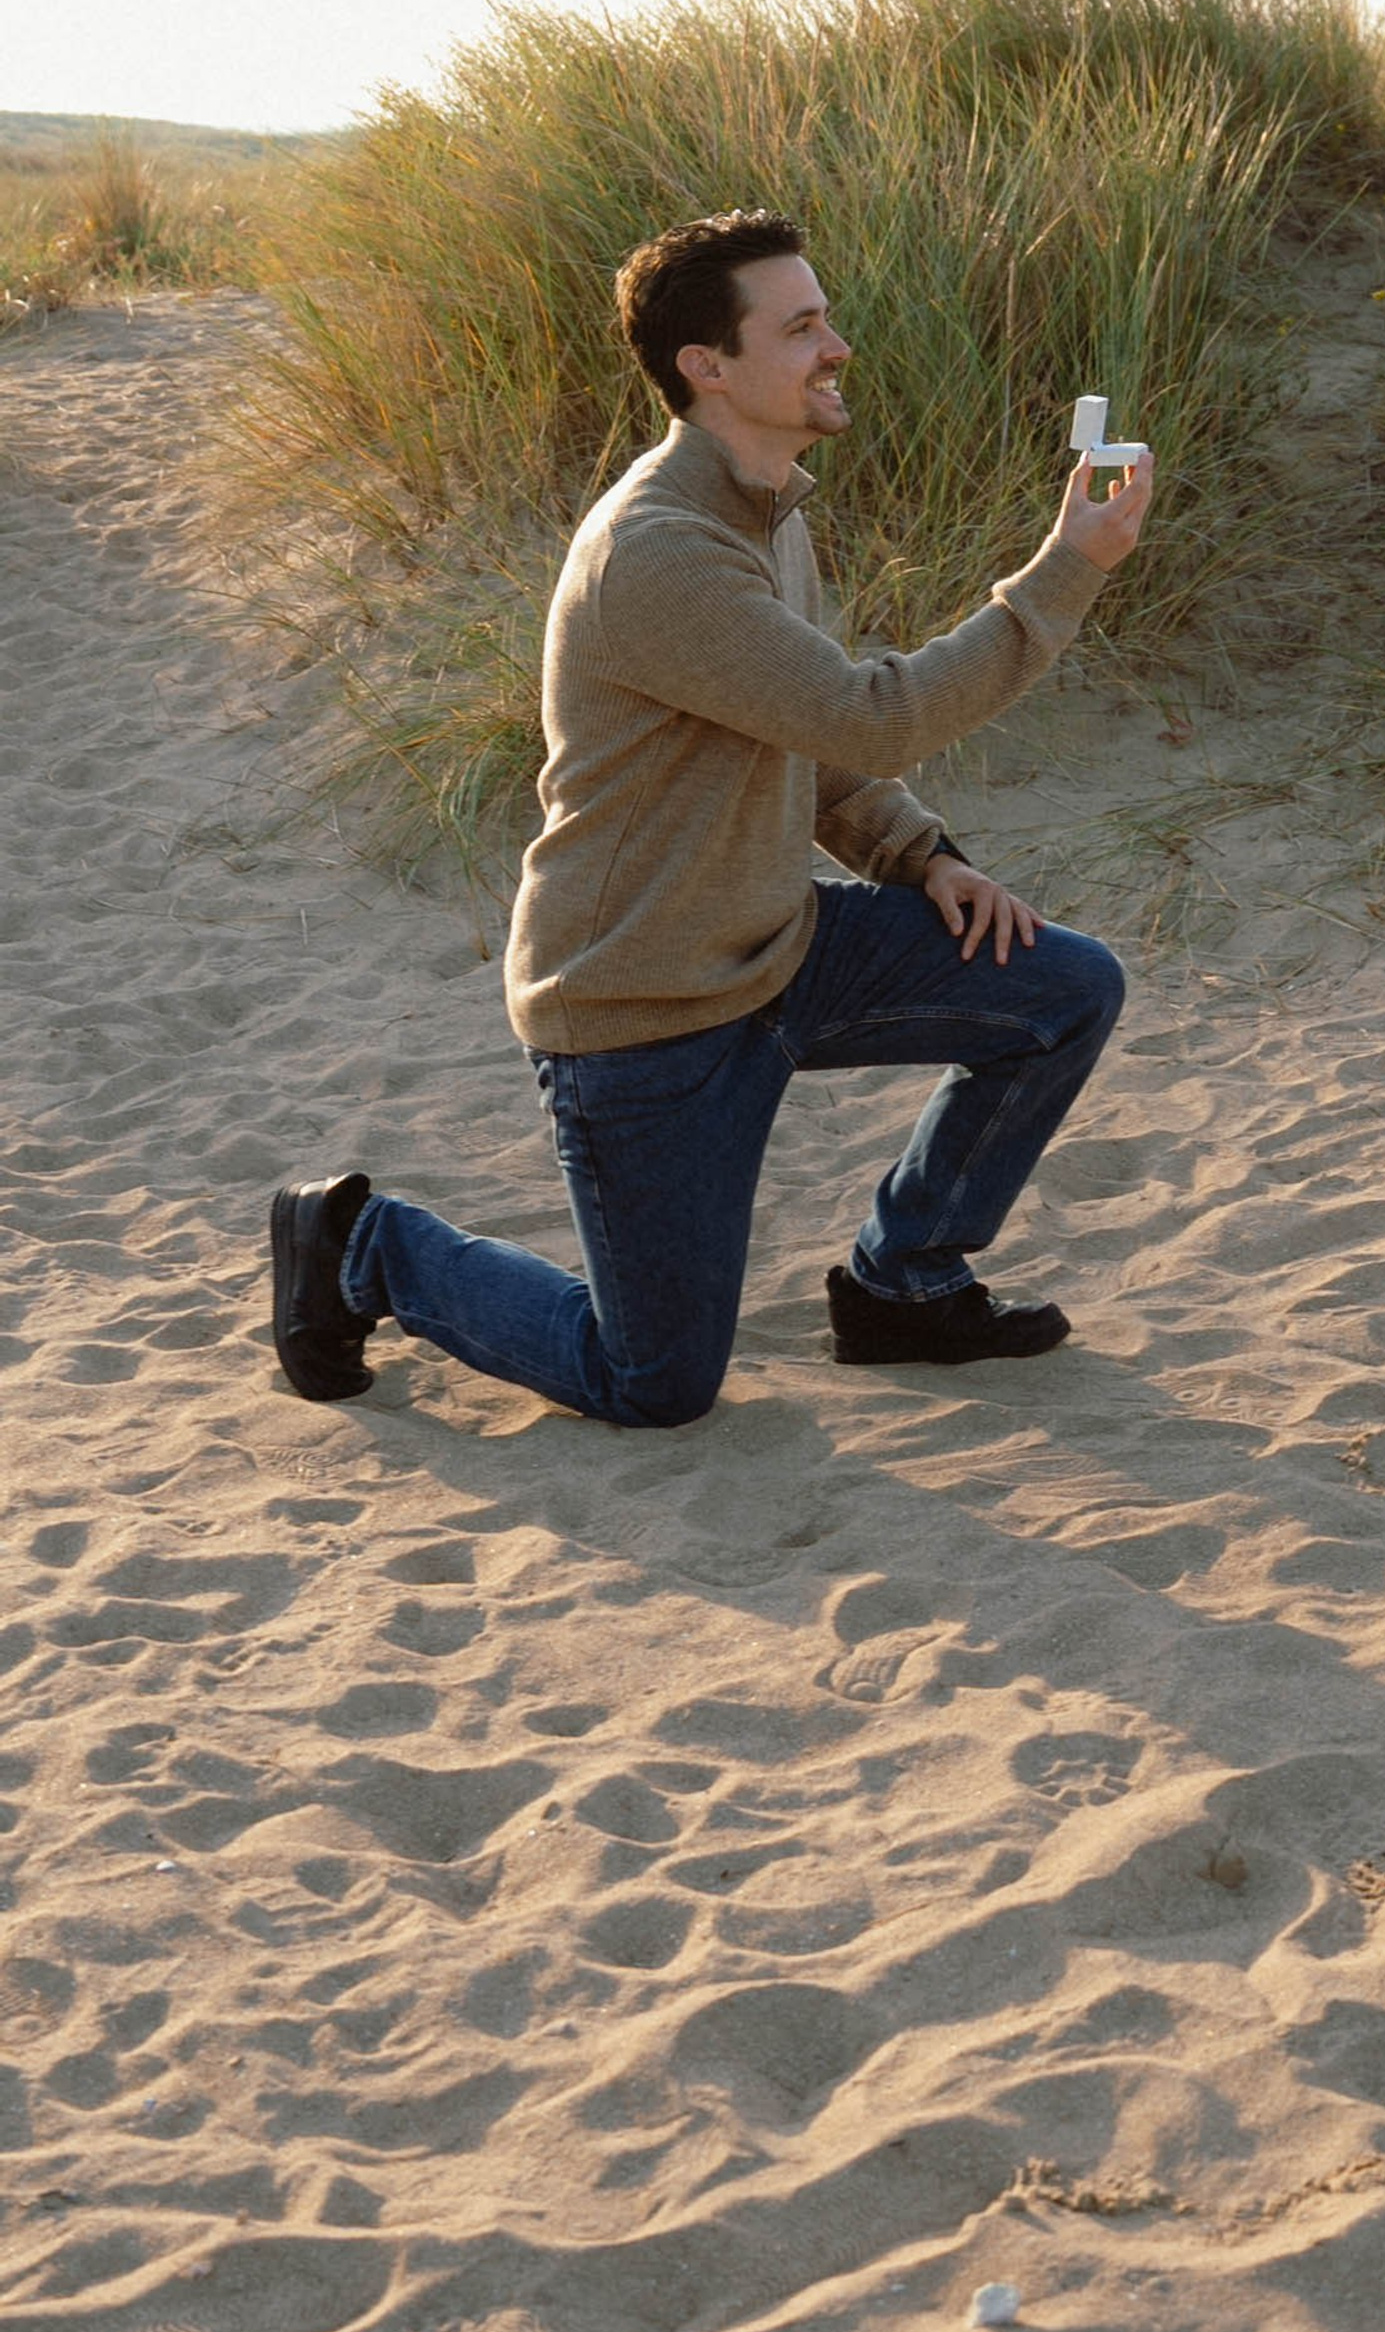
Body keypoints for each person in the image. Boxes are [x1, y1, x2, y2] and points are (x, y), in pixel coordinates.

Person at [269, 209, 1151, 1425]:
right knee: (651, 1382)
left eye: (826, 319)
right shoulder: (659, 551)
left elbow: (811, 735)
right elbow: (872, 714)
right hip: (643, 1007)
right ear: (708, 366)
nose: (836, 347)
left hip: (776, 949)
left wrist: (922, 857)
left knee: (1060, 988)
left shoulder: (768, 507)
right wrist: (1068, 567)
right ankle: (363, 1245)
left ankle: (903, 1281)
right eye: (800, 328)